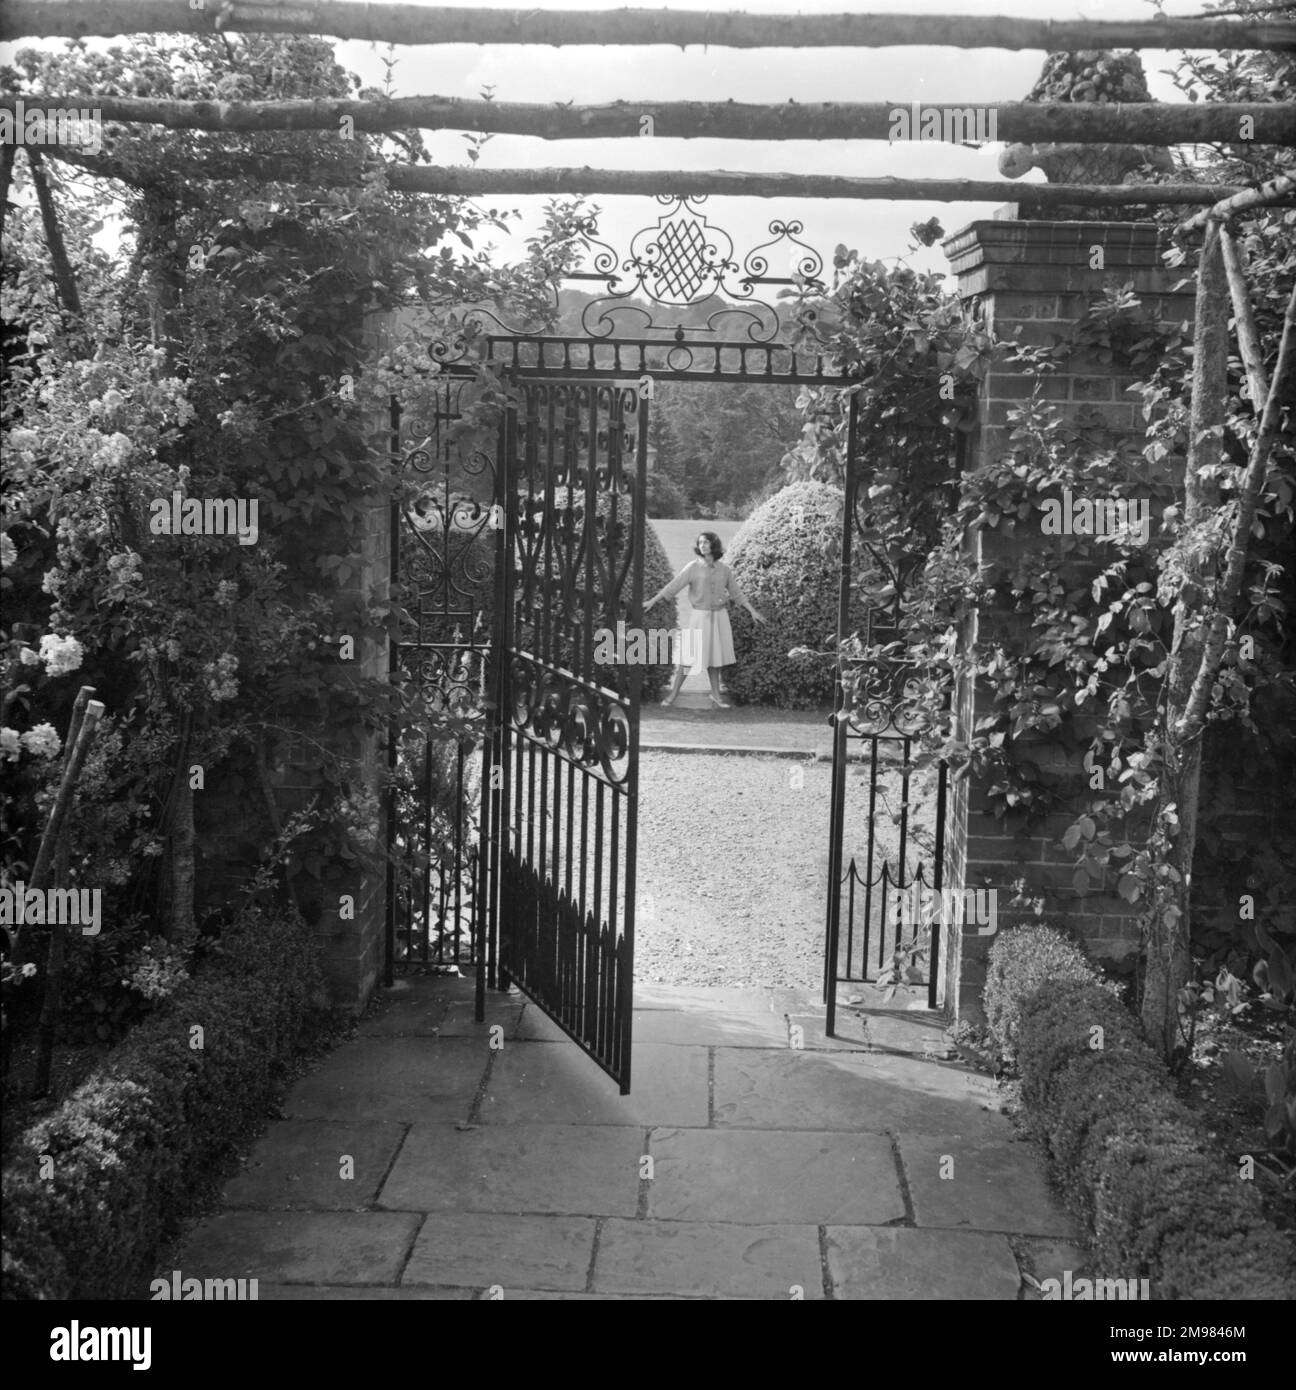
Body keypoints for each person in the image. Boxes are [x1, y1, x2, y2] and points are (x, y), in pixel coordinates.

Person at [647, 531, 766, 708]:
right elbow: (674, 586)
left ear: (713, 545)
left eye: (706, 542)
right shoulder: (692, 567)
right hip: (699, 617)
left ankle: (716, 695)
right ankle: (673, 695)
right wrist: (652, 601)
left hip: (719, 617)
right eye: (700, 542)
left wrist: (753, 612)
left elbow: (737, 593)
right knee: (688, 658)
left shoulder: (725, 570)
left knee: (715, 658)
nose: (702, 545)